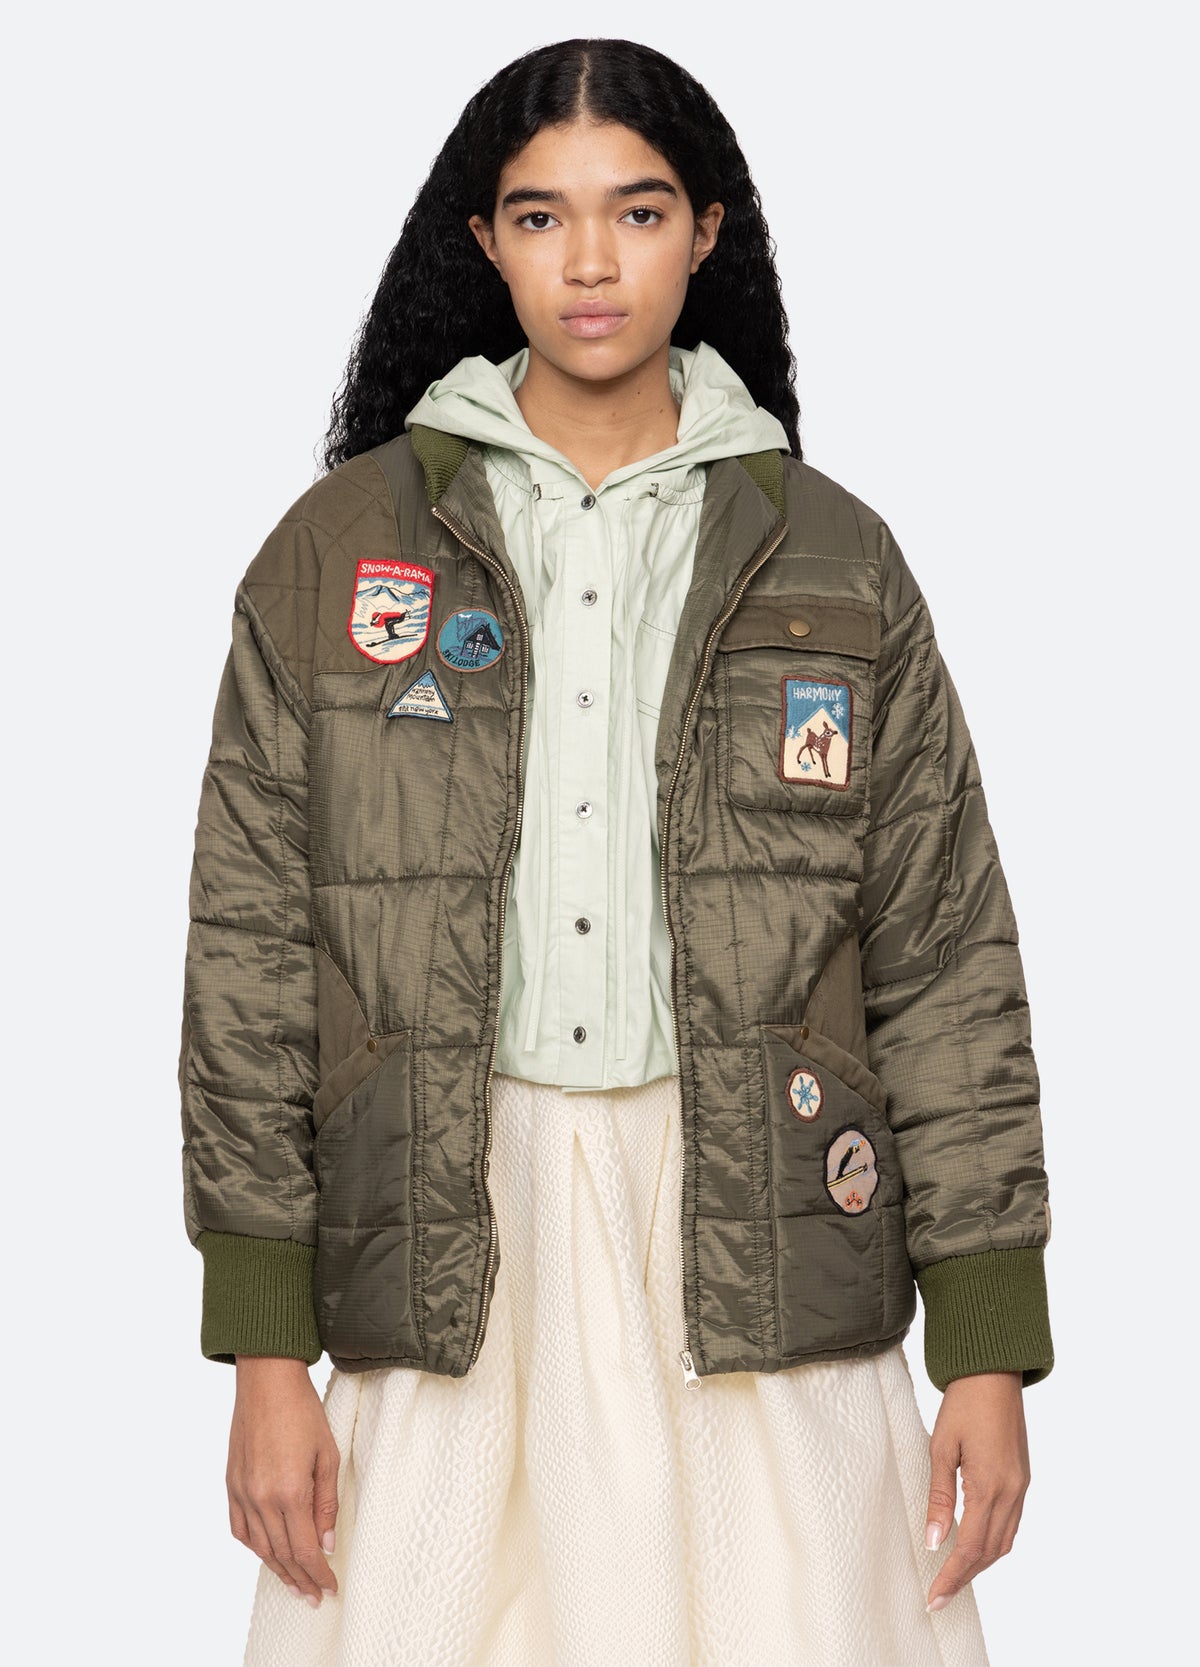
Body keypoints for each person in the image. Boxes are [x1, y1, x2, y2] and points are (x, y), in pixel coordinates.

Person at [178, 36, 1054, 1667]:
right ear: (484, 240)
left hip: (764, 1241)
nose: (590, 261)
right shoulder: (337, 557)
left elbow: (943, 961)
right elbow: (252, 967)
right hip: (446, 1243)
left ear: (706, 233)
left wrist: (988, 1344)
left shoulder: (836, 560)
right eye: (541, 216)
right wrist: (266, 1351)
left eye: (638, 212)